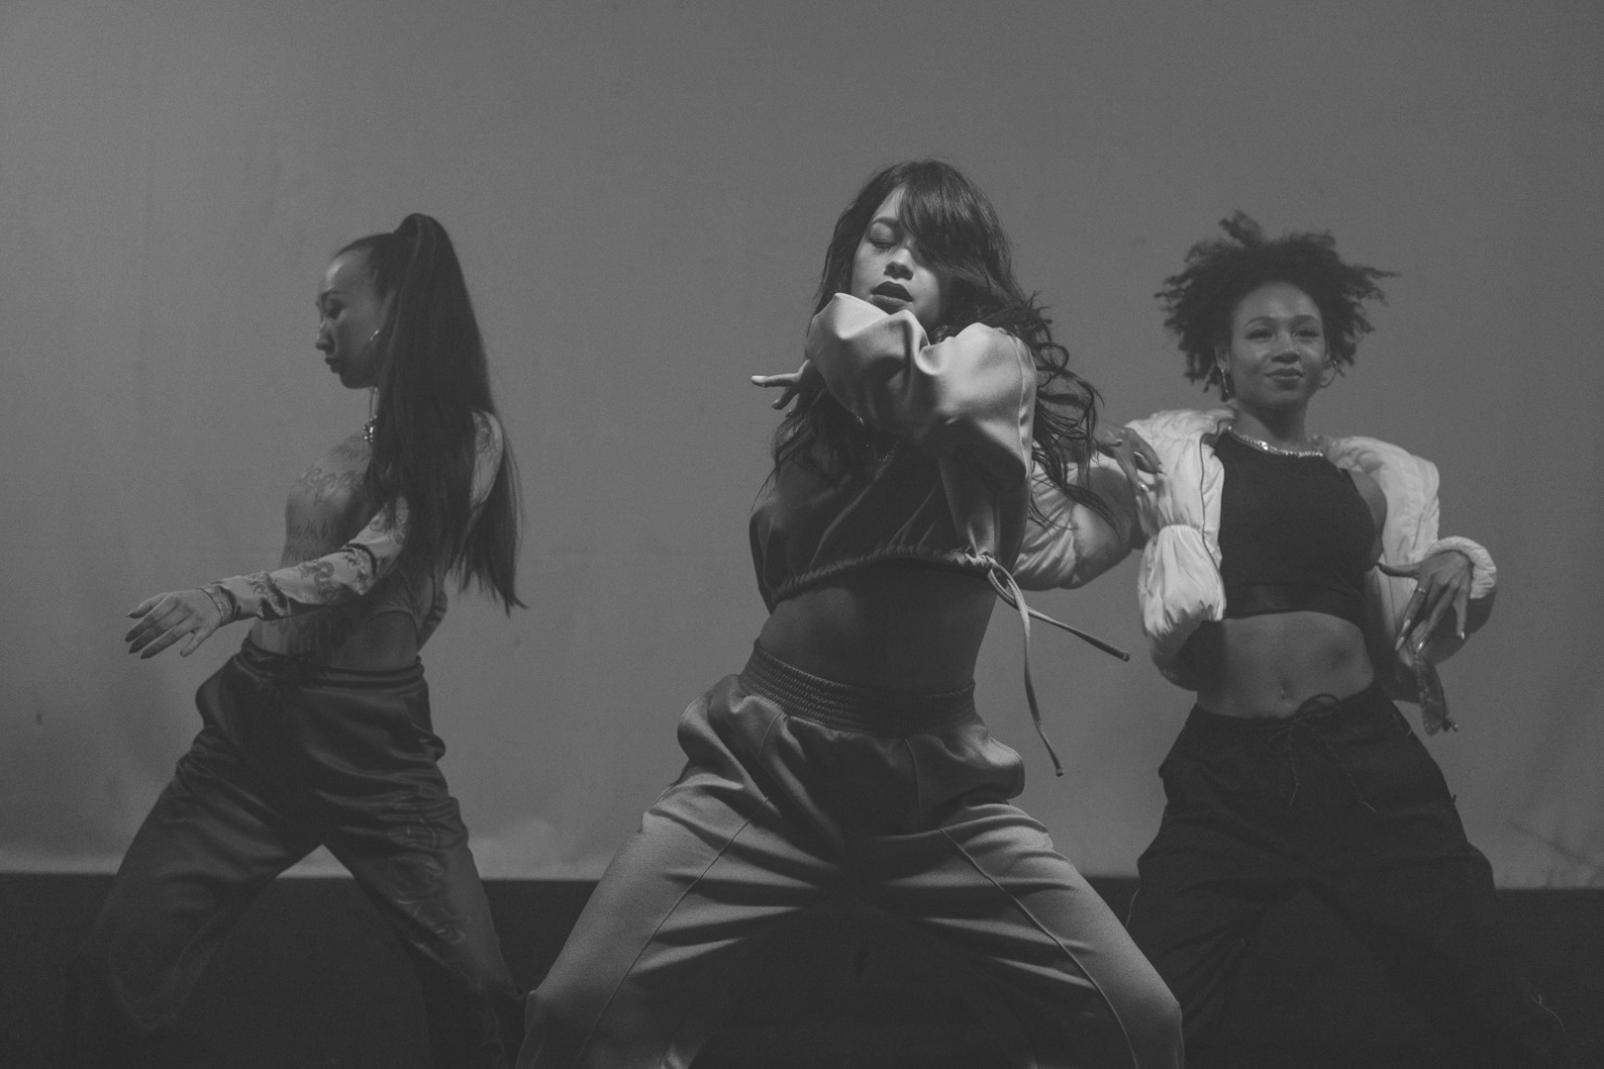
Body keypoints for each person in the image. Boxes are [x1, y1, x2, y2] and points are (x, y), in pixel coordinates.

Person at [515, 160, 1181, 1068]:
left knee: (1137, 1018)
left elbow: (1024, 520)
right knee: (574, 1012)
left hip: (930, 786)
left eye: (929, 250)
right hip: (764, 767)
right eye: (882, 239)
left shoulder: (990, 362)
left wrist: (1131, 500)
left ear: (966, 279)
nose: (899, 261)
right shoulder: (826, 420)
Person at [65, 214, 526, 1067]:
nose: (319, 332)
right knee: (123, 955)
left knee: (479, 986)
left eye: (335, 309)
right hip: (256, 733)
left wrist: (222, 597)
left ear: (398, 308)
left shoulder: (470, 434)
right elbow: (405, 589)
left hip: (371, 752)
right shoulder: (361, 443)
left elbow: (370, 562)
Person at [1118, 212, 1569, 1066]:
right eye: (1260, 332)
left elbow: (1403, 590)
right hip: (1230, 774)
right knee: (1148, 1000)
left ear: (1331, 356)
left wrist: (1456, 557)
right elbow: (1067, 516)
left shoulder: (1368, 483)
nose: (1285, 347)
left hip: (1362, 763)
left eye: (1305, 332)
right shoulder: (1174, 462)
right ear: (1222, 354)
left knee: (1482, 979)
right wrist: (1086, 453)